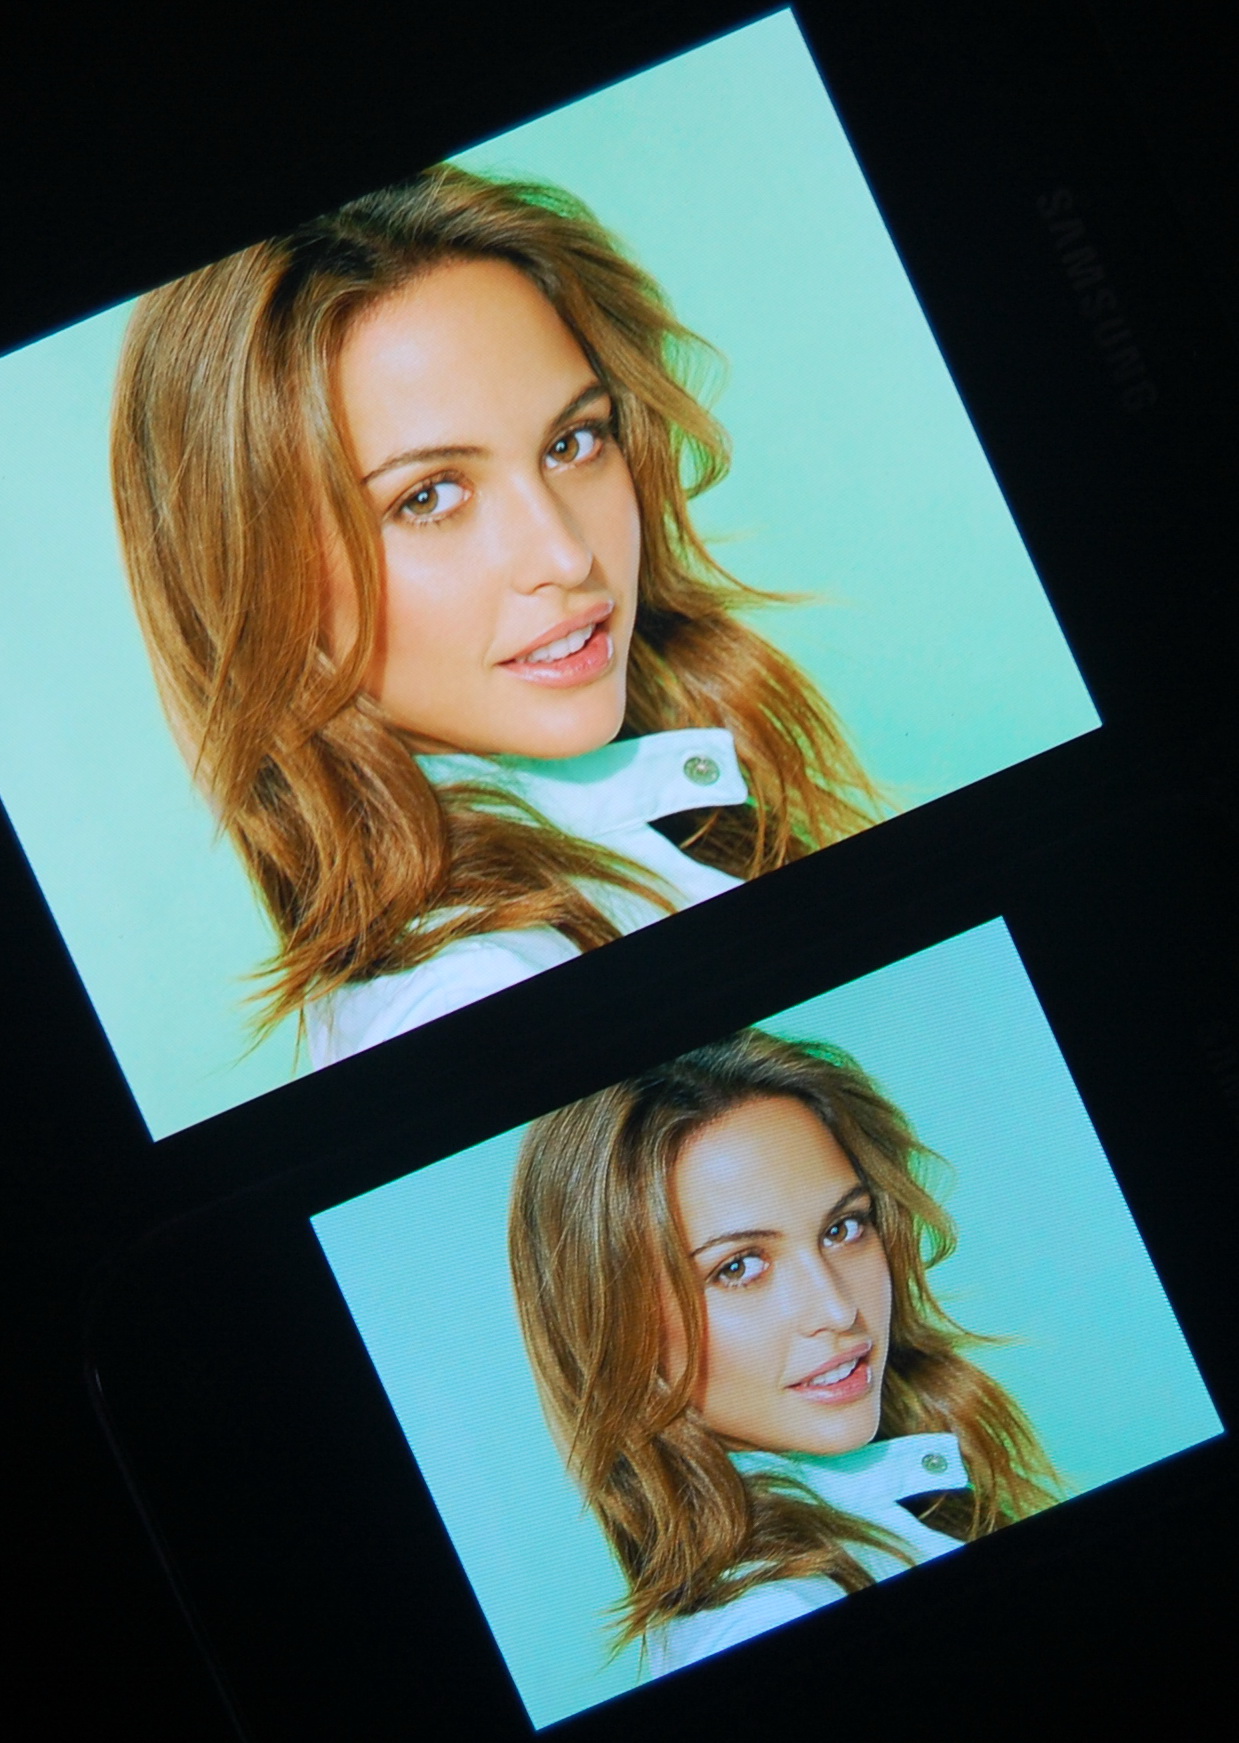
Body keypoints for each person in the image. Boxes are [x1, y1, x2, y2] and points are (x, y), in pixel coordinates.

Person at [111, 166, 876, 1070]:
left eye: (572, 442)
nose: (564, 555)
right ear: (259, 579)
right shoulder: (468, 994)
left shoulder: (640, 835)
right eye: (428, 497)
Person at [509, 1029, 1059, 1675]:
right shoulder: (764, 1621)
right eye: (739, 1267)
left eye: (843, 1228)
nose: (836, 1309)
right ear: (615, 1326)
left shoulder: (895, 1515)